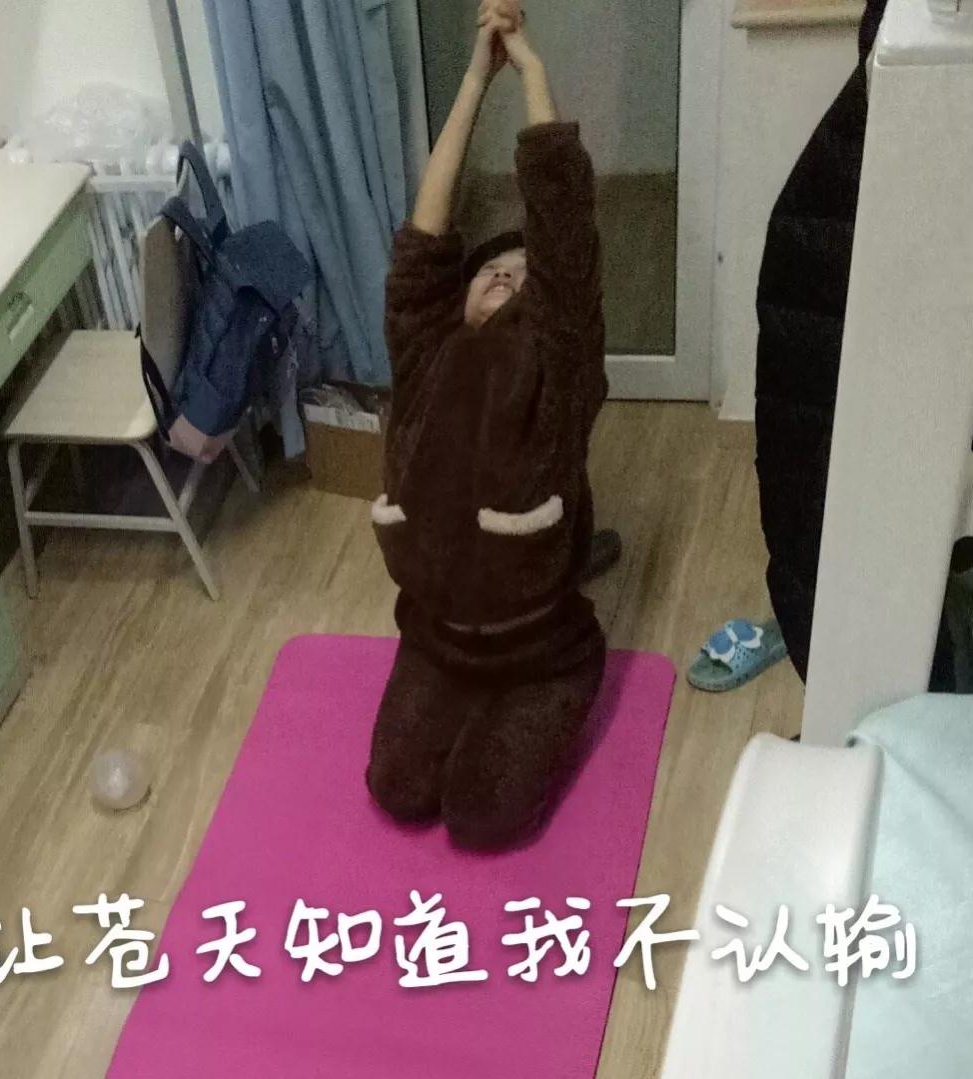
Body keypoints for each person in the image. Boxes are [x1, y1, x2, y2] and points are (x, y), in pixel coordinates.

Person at [366, 1, 609, 851]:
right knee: (397, 789)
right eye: (491, 268)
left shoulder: (558, 362)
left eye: (523, 271)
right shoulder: (427, 353)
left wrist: (531, 69)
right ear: (461, 291)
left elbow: (563, 221)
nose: (506, 273)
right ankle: (460, 696)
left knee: (483, 818)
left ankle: (562, 680)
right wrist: (476, 75)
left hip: (540, 650)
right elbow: (424, 239)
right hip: (436, 637)